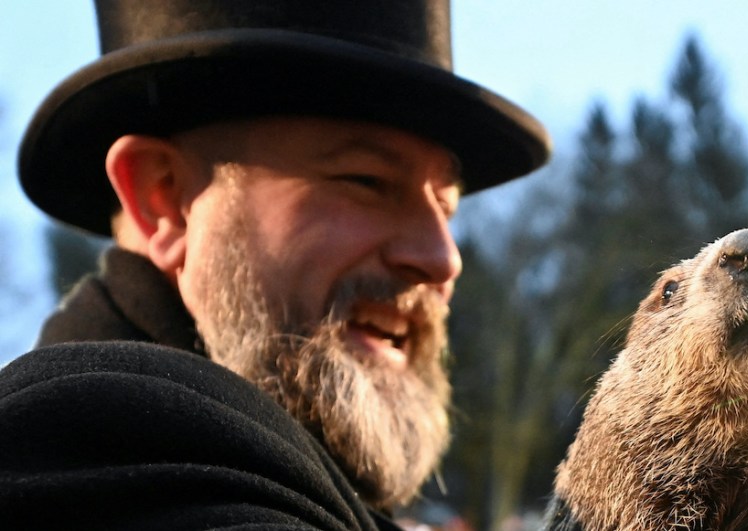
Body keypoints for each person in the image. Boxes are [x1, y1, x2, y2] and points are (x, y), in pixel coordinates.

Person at [0, 1, 550, 529]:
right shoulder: (80, 452)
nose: (442, 259)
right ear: (164, 201)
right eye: (367, 181)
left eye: (446, 206)